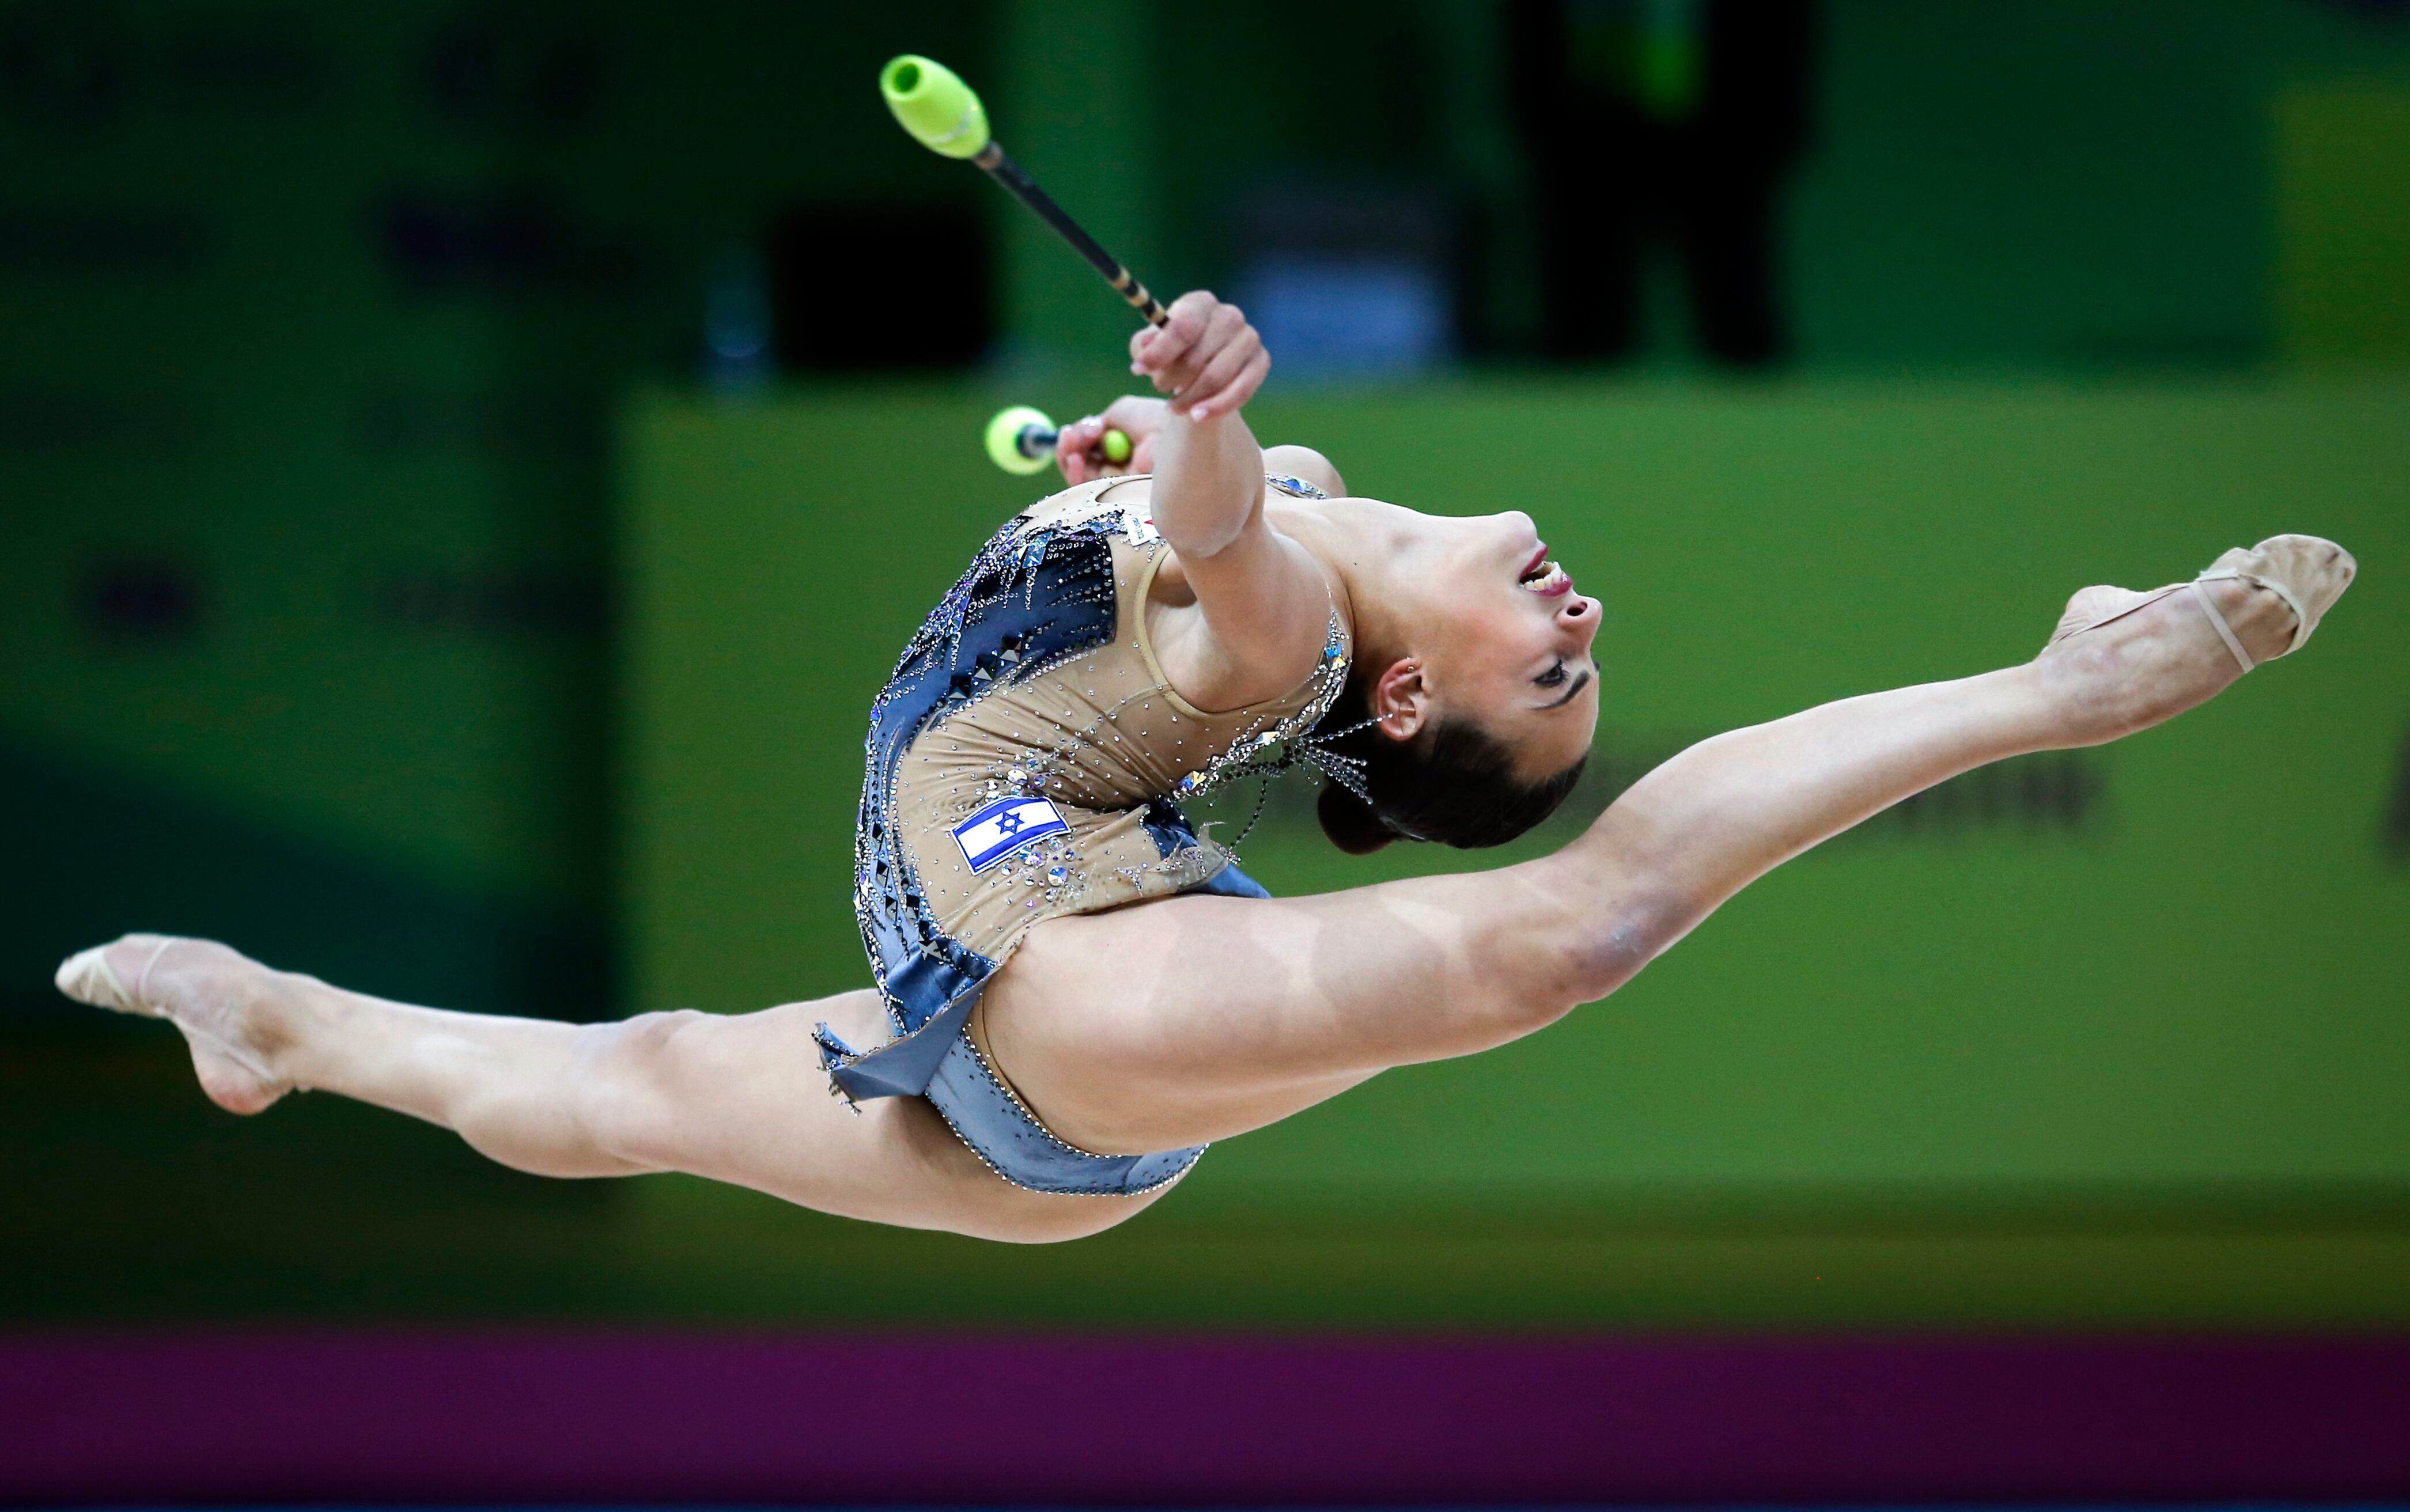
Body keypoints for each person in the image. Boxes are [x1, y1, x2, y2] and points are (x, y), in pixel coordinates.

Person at [58, 291, 2355, 1243]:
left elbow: (1236, 579)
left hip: (1065, 985)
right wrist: (1180, 445)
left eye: (1539, 690)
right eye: (1577, 670)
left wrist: (1208, 429)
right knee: (644, 1077)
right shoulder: (1291, 537)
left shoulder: (1287, 611)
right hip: (1051, 1048)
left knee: (1573, 934)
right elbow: (1210, 530)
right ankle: (295, 1028)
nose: (1579, 636)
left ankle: (2058, 688)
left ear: (1386, 710)